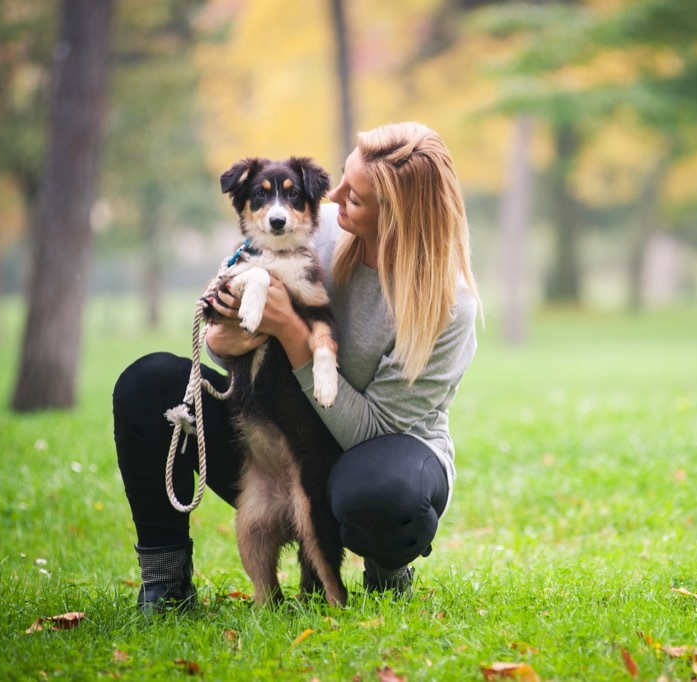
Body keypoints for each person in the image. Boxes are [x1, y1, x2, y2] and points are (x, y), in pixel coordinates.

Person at [112, 122, 481, 612]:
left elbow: (374, 430)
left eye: (356, 196)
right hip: (269, 430)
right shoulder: (308, 223)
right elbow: (219, 336)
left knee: (380, 489)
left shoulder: (447, 304)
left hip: (374, 454)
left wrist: (291, 330)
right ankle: (166, 582)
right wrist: (230, 330)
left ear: (395, 217)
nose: (334, 196)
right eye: (344, 176)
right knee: (149, 384)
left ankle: (386, 565)